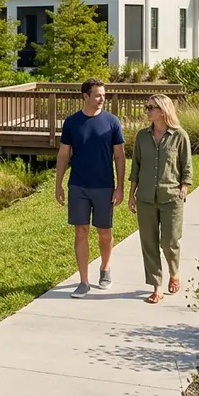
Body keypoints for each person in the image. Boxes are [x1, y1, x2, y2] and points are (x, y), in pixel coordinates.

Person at [55, 78, 126, 298]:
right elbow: (64, 154)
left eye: (103, 95)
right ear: (85, 96)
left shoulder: (112, 122)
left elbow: (120, 156)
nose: (102, 99)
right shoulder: (72, 122)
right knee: (81, 231)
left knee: (104, 232)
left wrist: (120, 186)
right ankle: (83, 281)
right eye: (97, 95)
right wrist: (58, 184)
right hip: (78, 185)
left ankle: (105, 268)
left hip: (104, 186)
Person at [128, 94, 192, 304]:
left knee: (169, 242)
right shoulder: (142, 136)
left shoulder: (179, 136)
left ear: (163, 110)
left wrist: (183, 187)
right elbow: (135, 167)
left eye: (150, 108)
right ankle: (157, 286)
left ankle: (174, 271)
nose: (147, 111)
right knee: (149, 243)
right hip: (145, 197)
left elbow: (186, 166)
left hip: (171, 196)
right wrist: (131, 194)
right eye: (146, 107)